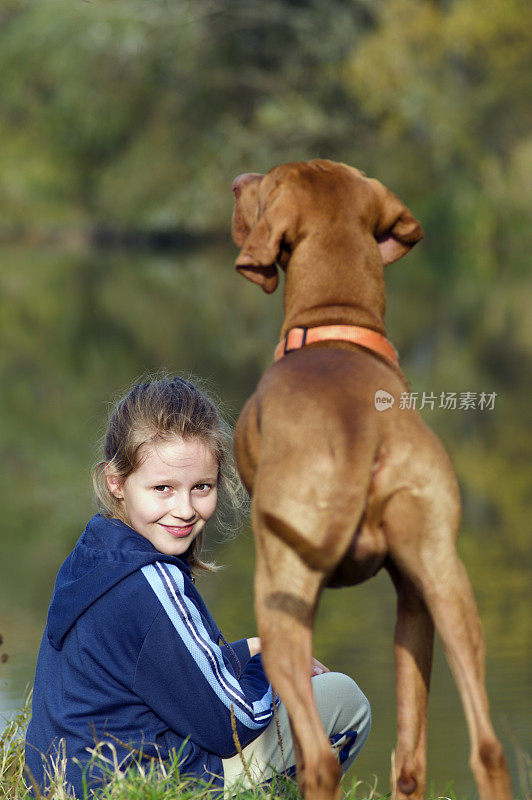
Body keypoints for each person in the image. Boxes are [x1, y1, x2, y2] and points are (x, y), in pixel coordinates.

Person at [25, 376, 371, 796]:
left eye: (201, 487)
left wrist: (253, 650)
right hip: (136, 785)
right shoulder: (151, 581)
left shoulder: (95, 555)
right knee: (342, 699)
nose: (185, 509)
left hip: (66, 782)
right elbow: (232, 723)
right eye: (163, 489)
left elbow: (167, 669)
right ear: (116, 482)